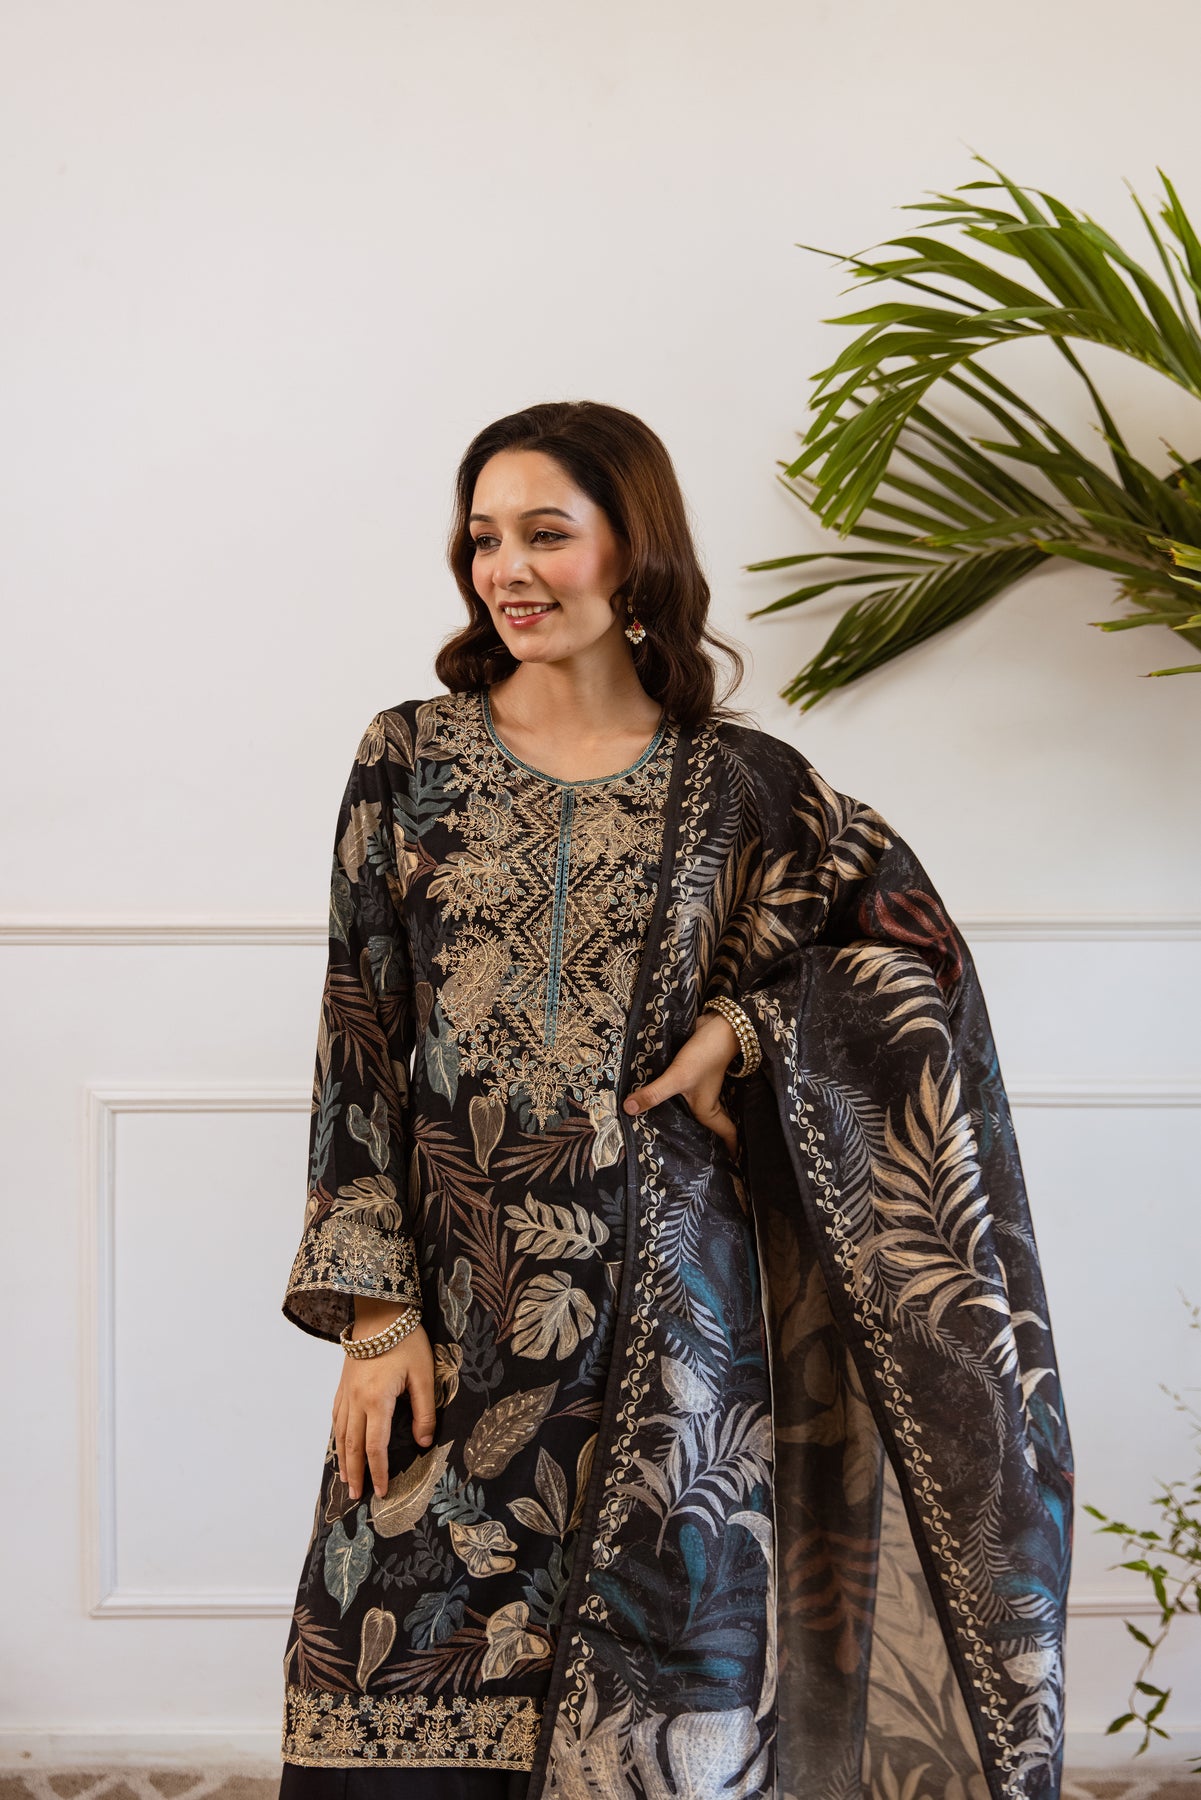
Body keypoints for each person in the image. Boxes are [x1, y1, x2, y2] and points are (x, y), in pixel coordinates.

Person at [276, 401, 1074, 1800]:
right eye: (483, 539)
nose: (507, 570)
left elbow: (910, 953)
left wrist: (741, 1028)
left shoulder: (745, 787)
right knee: (379, 1683)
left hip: (677, 1360)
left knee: (658, 1729)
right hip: (453, 1331)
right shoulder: (405, 759)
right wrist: (373, 1317)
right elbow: (361, 1038)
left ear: (632, 549)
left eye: (545, 533)